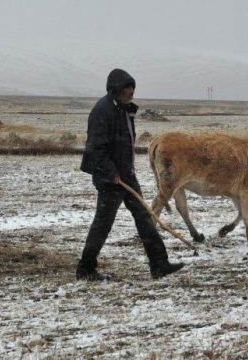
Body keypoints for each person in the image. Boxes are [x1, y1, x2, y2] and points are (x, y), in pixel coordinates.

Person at [76, 68, 184, 280]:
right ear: (116, 88)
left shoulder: (123, 109)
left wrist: (126, 172)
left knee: (145, 219)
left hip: (126, 176)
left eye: (133, 87)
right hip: (110, 179)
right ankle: (85, 269)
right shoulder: (102, 111)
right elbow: (95, 149)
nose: (132, 91)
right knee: (102, 225)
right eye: (128, 87)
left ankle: (159, 264)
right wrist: (111, 173)